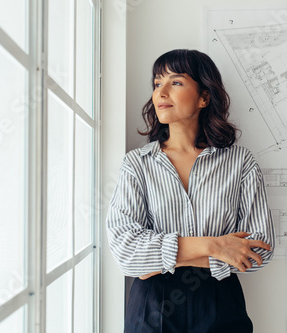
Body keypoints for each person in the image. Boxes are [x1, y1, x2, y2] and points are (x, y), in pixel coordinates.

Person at [106, 49, 275, 332]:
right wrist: (215, 246)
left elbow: (259, 250)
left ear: (204, 97)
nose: (161, 92)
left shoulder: (240, 162)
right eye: (157, 83)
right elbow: (126, 252)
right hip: (151, 309)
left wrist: (158, 260)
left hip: (220, 304)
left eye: (176, 82)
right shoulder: (137, 164)